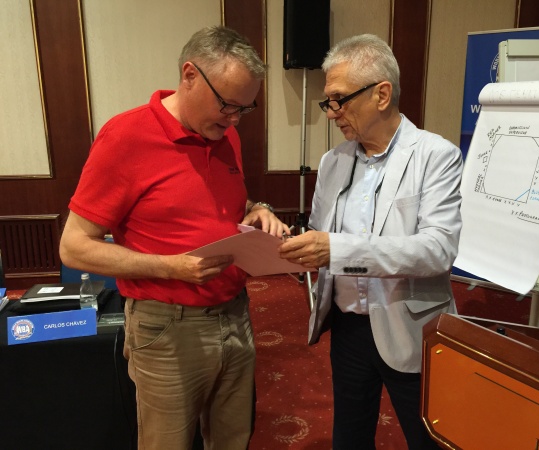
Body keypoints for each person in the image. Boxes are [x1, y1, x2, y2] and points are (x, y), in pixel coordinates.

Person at [59, 26, 290, 450]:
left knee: (233, 439)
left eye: (245, 108)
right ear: (189, 76)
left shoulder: (225, 134)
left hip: (235, 314)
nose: (235, 119)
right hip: (167, 325)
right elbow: (73, 246)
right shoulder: (126, 136)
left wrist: (257, 208)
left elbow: (215, 206)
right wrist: (171, 267)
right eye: (227, 104)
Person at [279, 34, 462, 450]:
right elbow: (322, 233)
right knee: (350, 435)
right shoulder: (333, 161)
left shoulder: (436, 156)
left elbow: (438, 250)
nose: (332, 113)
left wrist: (337, 250)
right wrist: (296, 244)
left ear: (381, 94)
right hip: (347, 326)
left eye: (339, 100)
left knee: (429, 439)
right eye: (328, 102)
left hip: (410, 326)